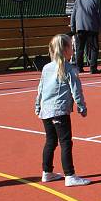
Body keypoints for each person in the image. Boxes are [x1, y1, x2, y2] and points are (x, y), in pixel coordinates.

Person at [35, 34, 91, 187]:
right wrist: (81, 106)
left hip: (46, 111)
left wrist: (38, 106)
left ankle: (47, 172)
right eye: (71, 47)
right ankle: (70, 175)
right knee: (66, 142)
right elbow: (76, 90)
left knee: (50, 141)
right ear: (65, 49)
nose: (73, 49)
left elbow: (40, 89)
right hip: (59, 110)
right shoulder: (69, 68)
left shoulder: (46, 68)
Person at [69, 0, 101, 74]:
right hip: (92, 28)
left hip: (80, 28)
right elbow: (100, 16)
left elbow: (73, 15)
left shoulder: (78, 1)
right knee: (94, 48)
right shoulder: (94, 1)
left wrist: (73, 29)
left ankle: (79, 68)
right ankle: (93, 68)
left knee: (79, 48)